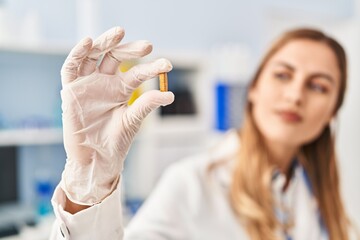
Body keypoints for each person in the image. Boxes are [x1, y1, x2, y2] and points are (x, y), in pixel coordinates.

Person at [49, 26, 357, 240]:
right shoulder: (191, 184)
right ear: (254, 89)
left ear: (333, 109)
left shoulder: (316, 190)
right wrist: (88, 179)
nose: (295, 95)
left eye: (318, 86)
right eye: (282, 75)